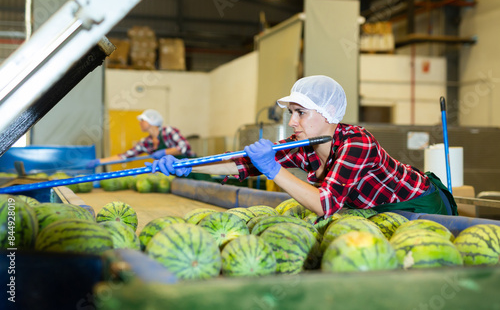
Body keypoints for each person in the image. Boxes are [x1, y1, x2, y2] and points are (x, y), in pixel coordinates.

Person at [150, 75, 457, 218]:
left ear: (327, 115)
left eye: (301, 113)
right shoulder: (306, 144)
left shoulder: (357, 142)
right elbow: (241, 164)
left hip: (417, 205)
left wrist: (274, 169)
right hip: (377, 211)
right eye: (291, 113)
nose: (293, 122)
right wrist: (186, 165)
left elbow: (325, 204)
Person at [87, 109, 195, 168]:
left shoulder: (169, 131)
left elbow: (184, 147)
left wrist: (165, 152)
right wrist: (100, 161)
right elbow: (125, 156)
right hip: (173, 173)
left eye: (142, 120)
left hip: (191, 168)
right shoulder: (146, 142)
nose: (140, 123)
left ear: (152, 121)